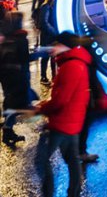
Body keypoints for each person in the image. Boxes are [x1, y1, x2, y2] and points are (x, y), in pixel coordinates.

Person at [34, 32, 93, 197]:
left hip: (62, 122)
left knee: (41, 160)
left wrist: (41, 108)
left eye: (56, 44)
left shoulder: (71, 66)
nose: (53, 48)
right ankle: (73, 192)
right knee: (72, 160)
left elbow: (61, 100)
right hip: (72, 121)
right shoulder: (74, 63)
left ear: (64, 46)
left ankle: (49, 193)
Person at [0, 12, 34, 146]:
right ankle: (7, 131)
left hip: (6, 76)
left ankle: (8, 132)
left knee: (11, 102)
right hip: (18, 76)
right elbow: (25, 58)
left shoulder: (6, 38)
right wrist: (39, 53)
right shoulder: (21, 38)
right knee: (16, 105)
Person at [36, 0, 59, 85]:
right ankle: (43, 77)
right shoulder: (45, 7)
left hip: (52, 36)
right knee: (45, 57)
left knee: (54, 57)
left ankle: (54, 75)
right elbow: (44, 23)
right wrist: (54, 31)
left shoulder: (53, 5)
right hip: (47, 36)